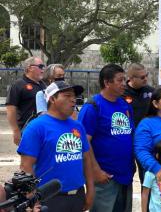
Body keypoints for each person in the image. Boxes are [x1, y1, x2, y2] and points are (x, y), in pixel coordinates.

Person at [17, 81, 94, 212]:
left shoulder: (77, 126)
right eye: (67, 96)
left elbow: (86, 160)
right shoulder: (36, 127)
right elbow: (26, 166)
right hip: (49, 198)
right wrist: (31, 199)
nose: (73, 100)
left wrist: (91, 191)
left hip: (77, 195)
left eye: (74, 96)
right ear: (52, 99)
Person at [78, 64, 135, 212]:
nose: (124, 84)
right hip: (105, 177)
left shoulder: (125, 105)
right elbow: (84, 142)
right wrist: (96, 171)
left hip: (126, 175)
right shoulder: (92, 107)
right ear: (107, 82)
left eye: (125, 79)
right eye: (120, 80)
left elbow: (130, 136)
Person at [123, 63, 154, 184]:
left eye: (146, 75)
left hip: (146, 140)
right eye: (142, 77)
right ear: (131, 78)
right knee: (127, 172)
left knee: (147, 175)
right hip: (127, 139)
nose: (145, 78)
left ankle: (146, 202)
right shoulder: (122, 93)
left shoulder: (151, 92)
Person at [6, 57, 46, 145]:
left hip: (43, 129)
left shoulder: (43, 84)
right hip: (27, 130)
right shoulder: (18, 85)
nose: (43, 70)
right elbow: (10, 109)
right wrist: (16, 131)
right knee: (29, 157)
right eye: (40, 66)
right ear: (29, 68)